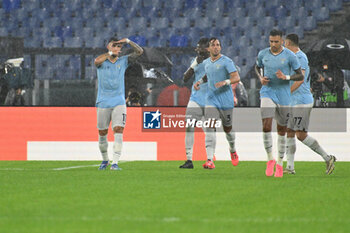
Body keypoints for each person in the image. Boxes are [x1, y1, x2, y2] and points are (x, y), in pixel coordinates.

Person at [284, 33, 336, 175]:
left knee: (300, 135)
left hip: (301, 101)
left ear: (288, 43)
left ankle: (327, 157)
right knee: (289, 131)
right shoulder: (293, 58)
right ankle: (290, 167)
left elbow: (300, 80)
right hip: (294, 101)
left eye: (284, 44)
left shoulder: (300, 57)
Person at [255, 29, 304, 177]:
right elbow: (257, 67)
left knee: (281, 130)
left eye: (276, 41)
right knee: (266, 125)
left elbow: (300, 75)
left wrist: (286, 77)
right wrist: (260, 78)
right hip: (267, 91)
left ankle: (280, 163)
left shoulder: (290, 55)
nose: (273, 44)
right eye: (271, 41)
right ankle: (270, 159)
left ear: (282, 41)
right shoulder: (263, 54)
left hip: (283, 95)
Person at [94, 37, 143, 170]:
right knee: (102, 132)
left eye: (119, 46)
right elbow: (96, 61)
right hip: (103, 101)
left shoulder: (124, 60)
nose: (117, 48)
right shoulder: (102, 60)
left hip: (119, 101)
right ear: (108, 47)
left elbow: (139, 51)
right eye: (114, 46)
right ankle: (105, 160)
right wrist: (110, 53)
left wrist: (128, 41)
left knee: (118, 129)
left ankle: (115, 162)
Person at [194, 37, 240, 169]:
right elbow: (208, 75)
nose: (216, 47)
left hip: (225, 100)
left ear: (220, 47)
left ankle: (232, 149)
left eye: (218, 45)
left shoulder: (227, 61)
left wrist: (225, 82)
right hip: (211, 99)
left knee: (228, 128)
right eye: (213, 45)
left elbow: (236, 77)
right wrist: (200, 82)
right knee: (210, 127)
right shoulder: (207, 62)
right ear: (208, 48)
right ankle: (209, 159)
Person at [179, 38, 210, 169]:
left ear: (207, 48)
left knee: (209, 130)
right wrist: (194, 64)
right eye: (197, 48)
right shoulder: (195, 61)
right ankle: (189, 160)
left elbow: (212, 76)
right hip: (196, 99)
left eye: (200, 47)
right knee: (189, 127)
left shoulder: (215, 61)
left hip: (210, 100)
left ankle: (209, 159)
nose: (197, 50)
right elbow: (185, 79)